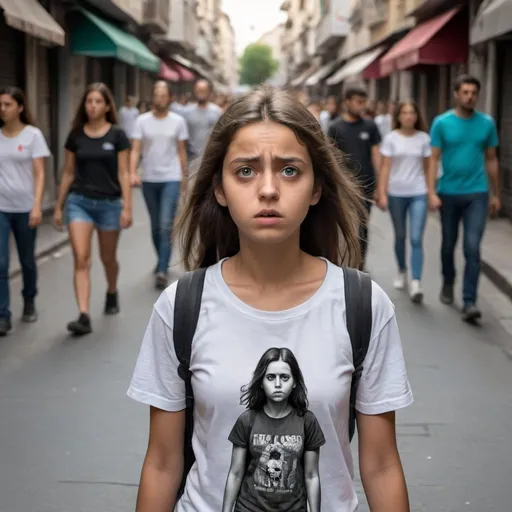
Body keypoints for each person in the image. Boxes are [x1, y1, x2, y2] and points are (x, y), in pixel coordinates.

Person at [127, 87, 413, 512]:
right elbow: (163, 464)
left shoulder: (363, 305)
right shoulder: (181, 306)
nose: (267, 189)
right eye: (245, 171)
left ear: (316, 188)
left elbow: (381, 465)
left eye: (290, 171)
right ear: (219, 189)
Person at [53, 82, 132, 335]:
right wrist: (58, 206)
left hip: (110, 204)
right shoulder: (75, 135)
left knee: (107, 258)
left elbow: (123, 172)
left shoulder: (117, 135)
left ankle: (111, 291)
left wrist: (127, 207)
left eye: (98, 101)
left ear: (107, 105)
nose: (93, 106)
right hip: (80, 202)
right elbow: (67, 172)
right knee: (81, 258)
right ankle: (84, 314)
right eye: (89, 101)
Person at [428, 74, 500, 322]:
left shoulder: (487, 123)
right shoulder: (441, 123)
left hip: (477, 194)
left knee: (472, 247)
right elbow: (433, 158)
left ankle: (469, 301)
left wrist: (496, 194)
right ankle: (448, 279)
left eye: (474, 93)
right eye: (465, 92)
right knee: (448, 245)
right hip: (448, 193)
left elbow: (491, 158)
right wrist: (430, 192)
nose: (470, 97)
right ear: (456, 94)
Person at [222, 347, 325, 512]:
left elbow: (311, 476)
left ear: (294, 382)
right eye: (270, 377)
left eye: (284, 377)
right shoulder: (247, 420)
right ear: (261, 382)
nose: (278, 384)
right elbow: (235, 472)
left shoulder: (307, 421)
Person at [0, 87, 50, 336]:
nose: (2, 109)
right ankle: (3, 314)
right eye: (1, 104)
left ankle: (29, 299)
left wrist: (37, 205)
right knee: (0, 263)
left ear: (20, 107)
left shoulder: (33, 135)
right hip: (1, 208)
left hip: (25, 208)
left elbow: (40, 173)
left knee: (27, 260)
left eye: (7, 104)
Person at [130, 81, 189, 289]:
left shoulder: (178, 121)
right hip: (149, 179)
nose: (160, 98)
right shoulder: (141, 121)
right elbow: (135, 149)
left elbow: (182, 151)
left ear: (169, 97)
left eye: (164, 95)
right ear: (153, 97)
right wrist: (131, 172)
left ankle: (162, 270)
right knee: (155, 226)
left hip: (171, 177)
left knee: (165, 224)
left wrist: (184, 178)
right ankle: (161, 260)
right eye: (157, 94)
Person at [377, 101, 431, 303]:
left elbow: (428, 168)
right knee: (400, 235)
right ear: (398, 116)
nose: (409, 116)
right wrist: (382, 193)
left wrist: (431, 192)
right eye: (405, 113)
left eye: (412, 112)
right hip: (396, 193)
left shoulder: (424, 138)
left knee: (416, 238)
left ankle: (416, 281)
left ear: (417, 116)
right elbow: (385, 168)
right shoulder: (391, 138)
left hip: (419, 192)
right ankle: (402, 270)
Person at [328, 87, 382, 270]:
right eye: (358, 102)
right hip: (346, 187)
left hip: (366, 185)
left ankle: (360, 264)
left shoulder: (370, 126)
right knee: (348, 226)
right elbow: (332, 158)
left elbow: (376, 154)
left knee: (363, 227)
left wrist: (380, 186)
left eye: (363, 101)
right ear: (348, 102)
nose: (361, 106)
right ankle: (346, 264)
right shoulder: (335, 127)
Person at [182, 79, 222, 174]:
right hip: (191, 158)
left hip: (210, 159)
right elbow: (182, 138)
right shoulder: (186, 112)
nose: (201, 93)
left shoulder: (217, 112)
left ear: (209, 92)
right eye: (198, 90)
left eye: (203, 90)